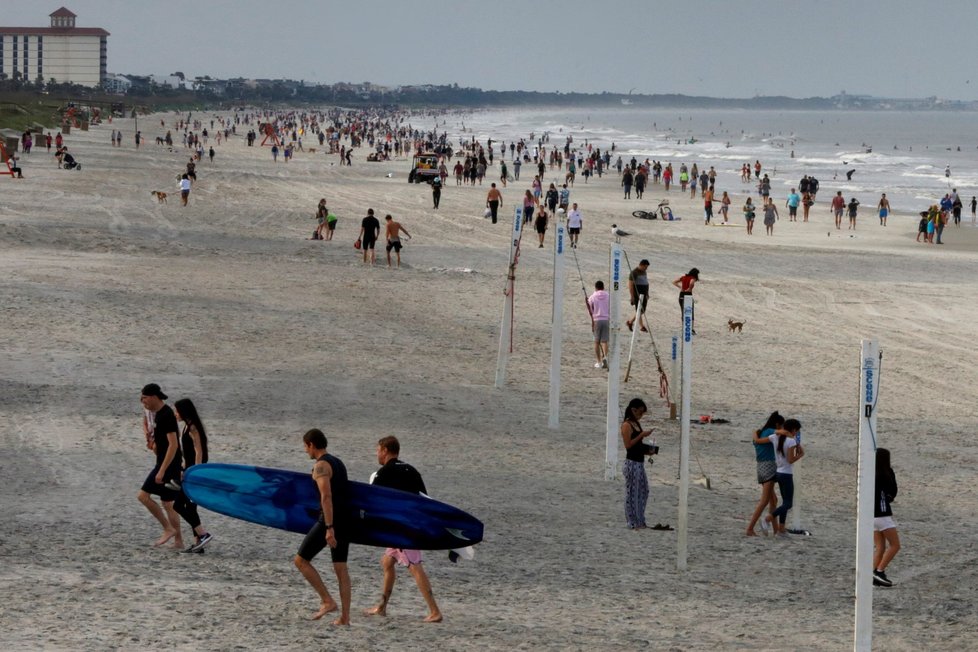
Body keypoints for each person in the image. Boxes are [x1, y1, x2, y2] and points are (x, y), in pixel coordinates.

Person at [365, 436, 443, 622]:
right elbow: (424, 499)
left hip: (401, 529)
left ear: (385, 450)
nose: (377, 453)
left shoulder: (383, 473)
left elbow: (372, 501)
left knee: (415, 566)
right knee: (387, 562)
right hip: (411, 523)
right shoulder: (411, 470)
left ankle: (435, 611)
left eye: (378, 450)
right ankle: (382, 607)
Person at [294, 428, 352, 625]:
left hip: (330, 521)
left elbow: (326, 497)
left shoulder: (321, 466)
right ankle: (345, 618)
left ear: (311, 444)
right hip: (346, 519)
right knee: (341, 568)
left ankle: (327, 601)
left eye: (305, 447)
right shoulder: (338, 462)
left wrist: (328, 527)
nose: (305, 451)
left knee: (301, 561)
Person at [136, 384, 184, 548]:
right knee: (168, 503)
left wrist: (162, 470)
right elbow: (161, 442)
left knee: (143, 496)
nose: (143, 401)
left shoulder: (167, 415)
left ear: (154, 396)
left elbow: (173, 445)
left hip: (169, 465)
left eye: (145, 398)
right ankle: (178, 541)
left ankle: (168, 529)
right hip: (164, 462)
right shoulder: (156, 414)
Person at [171, 398, 214, 553]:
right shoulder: (186, 427)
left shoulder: (193, 428)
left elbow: (199, 451)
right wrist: (182, 467)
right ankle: (199, 543)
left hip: (193, 473)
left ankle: (203, 534)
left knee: (178, 505)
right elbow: (188, 453)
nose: (176, 414)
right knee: (190, 506)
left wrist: (194, 472)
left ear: (184, 411)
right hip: (188, 471)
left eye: (177, 411)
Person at [755, 418, 804, 536]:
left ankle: (781, 529)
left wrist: (754, 433)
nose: (796, 433)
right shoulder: (791, 441)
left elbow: (758, 441)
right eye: (796, 431)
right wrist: (801, 454)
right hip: (786, 473)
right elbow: (791, 459)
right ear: (793, 430)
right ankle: (767, 519)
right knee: (788, 504)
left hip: (778, 472)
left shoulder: (774, 437)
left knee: (784, 502)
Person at [620, 398, 664, 530]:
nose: (640, 416)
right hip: (631, 463)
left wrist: (649, 450)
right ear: (633, 410)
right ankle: (632, 522)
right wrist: (642, 435)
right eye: (639, 412)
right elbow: (628, 445)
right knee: (632, 493)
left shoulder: (636, 424)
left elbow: (637, 446)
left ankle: (640, 520)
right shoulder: (626, 425)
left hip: (639, 462)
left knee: (644, 491)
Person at [746, 411, 783, 536]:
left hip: (760, 467)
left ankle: (776, 530)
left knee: (773, 499)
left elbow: (756, 440)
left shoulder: (759, 432)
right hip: (769, 467)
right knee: (765, 500)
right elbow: (783, 434)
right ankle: (750, 528)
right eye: (781, 425)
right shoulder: (772, 431)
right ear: (777, 424)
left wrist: (754, 435)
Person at [873, 447, 901, 587]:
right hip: (882, 513)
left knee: (880, 547)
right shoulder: (886, 472)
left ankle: (872, 574)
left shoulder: (870, 472)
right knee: (895, 545)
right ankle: (879, 571)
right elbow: (893, 491)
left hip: (870, 514)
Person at [588, 281, 610, 369]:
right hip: (606, 319)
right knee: (604, 341)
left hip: (597, 319)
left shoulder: (592, 297)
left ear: (596, 287)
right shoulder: (608, 296)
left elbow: (590, 308)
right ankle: (605, 357)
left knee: (596, 342)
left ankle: (599, 362)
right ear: (603, 287)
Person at [626, 259, 650, 332]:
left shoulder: (644, 272)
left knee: (641, 310)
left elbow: (646, 282)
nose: (646, 268)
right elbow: (630, 285)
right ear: (641, 265)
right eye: (645, 267)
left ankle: (631, 322)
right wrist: (632, 296)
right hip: (638, 294)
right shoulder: (634, 273)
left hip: (644, 293)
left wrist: (647, 293)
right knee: (639, 310)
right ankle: (640, 325)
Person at [673, 268, 699, 334]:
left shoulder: (684, 277)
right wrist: (689, 288)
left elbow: (674, 282)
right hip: (688, 295)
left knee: (683, 311)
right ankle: (691, 329)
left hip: (681, 295)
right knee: (690, 311)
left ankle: (684, 328)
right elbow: (692, 283)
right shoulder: (692, 278)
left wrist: (680, 287)